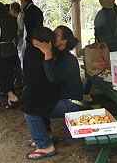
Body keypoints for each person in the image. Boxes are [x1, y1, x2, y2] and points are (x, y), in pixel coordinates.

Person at [24, 26, 82, 160]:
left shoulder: (69, 60)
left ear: (64, 41)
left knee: (31, 109)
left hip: (72, 103)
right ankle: (46, 136)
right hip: (63, 99)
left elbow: (53, 78)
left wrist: (47, 53)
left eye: (56, 35)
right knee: (34, 99)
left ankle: (45, 146)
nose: (51, 36)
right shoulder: (61, 56)